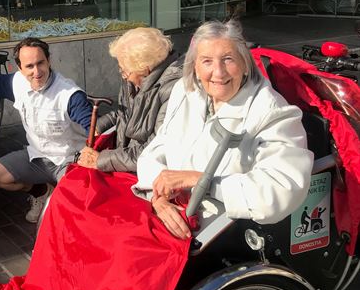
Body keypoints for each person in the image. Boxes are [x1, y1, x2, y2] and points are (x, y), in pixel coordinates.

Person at [133, 20, 313, 239]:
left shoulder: (271, 111)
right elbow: (155, 151)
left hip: (225, 233)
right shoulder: (185, 92)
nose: (218, 72)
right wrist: (159, 197)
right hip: (171, 215)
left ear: (245, 64)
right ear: (195, 68)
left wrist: (202, 181)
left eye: (228, 59)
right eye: (207, 61)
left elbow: (281, 190)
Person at [0, 37, 92, 223]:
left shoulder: (69, 94)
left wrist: (92, 149)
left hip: (68, 161)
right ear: (20, 68)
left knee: (75, 211)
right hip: (36, 157)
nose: (36, 72)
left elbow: (94, 128)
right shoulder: (17, 82)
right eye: (29, 66)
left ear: (49, 60)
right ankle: (41, 191)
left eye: (40, 63)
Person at [77, 27, 182, 172]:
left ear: (145, 69)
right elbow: (126, 112)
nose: (123, 75)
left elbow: (154, 150)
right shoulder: (135, 79)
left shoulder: (174, 90)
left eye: (124, 70)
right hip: (125, 159)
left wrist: (102, 159)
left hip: (147, 172)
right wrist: (100, 125)